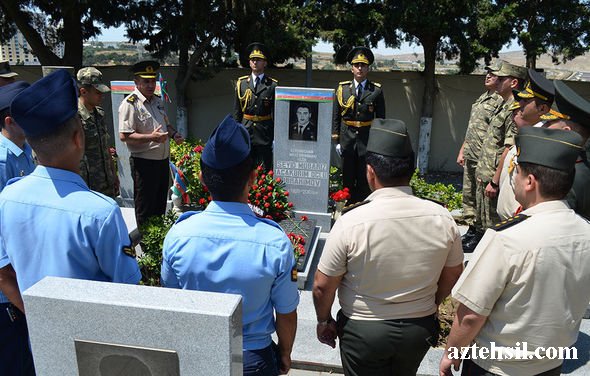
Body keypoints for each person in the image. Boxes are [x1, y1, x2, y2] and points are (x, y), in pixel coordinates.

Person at [0, 70, 142, 372]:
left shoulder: (7, 199)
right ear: (79, 138)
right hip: (95, 349)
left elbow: (4, 273)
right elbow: (128, 293)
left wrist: (39, 317)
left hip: (39, 340)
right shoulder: (100, 212)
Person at [313, 118, 463, 376]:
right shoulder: (441, 217)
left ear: (370, 171)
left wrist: (324, 320)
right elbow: (453, 272)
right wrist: (429, 303)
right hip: (418, 328)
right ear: (412, 169)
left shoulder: (352, 221)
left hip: (364, 331)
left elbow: (322, 285)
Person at [440, 126, 590, 376]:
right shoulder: (584, 231)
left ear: (530, 182)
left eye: (516, 172)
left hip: (497, 367)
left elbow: (471, 315)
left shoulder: (507, 238)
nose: (514, 178)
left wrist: (452, 352)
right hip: (551, 364)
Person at [162, 115, 299, 376]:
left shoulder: (179, 235)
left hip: (199, 354)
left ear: (202, 178)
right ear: (254, 178)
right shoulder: (274, 241)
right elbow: (286, 311)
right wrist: (284, 352)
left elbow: (172, 302)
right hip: (253, 359)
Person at [465, 61, 526, 252]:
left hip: (493, 173)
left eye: (501, 78)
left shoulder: (513, 109)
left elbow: (508, 147)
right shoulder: (502, 105)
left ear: (514, 83)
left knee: (493, 222)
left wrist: (495, 179)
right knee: (483, 218)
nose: (496, 81)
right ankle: (479, 242)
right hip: (485, 169)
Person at [119, 60, 184, 228]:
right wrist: (151, 138)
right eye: (145, 81)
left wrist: (174, 133)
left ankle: (157, 242)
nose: (150, 85)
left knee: (159, 205)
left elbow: (165, 125)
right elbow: (124, 135)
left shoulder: (157, 101)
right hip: (144, 163)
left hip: (162, 161)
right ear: (136, 82)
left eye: (152, 80)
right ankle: (146, 247)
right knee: (145, 208)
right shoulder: (130, 104)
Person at [0, 80, 35, 376]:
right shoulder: (1, 161)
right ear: (10, 121)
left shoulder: (24, 152)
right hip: (8, 293)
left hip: (24, 276)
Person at [496, 69, 554, 220]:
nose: (520, 103)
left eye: (527, 101)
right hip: (510, 219)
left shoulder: (543, 141)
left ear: (542, 109)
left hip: (523, 220)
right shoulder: (526, 135)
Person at [457, 60, 503, 246]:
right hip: (471, 154)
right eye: (487, 73)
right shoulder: (483, 97)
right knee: (469, 196)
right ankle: (472, 228)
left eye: (493, 74)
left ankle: (481, 232)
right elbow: (472, 128)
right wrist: (462, 150)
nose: (488, 76)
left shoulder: (500, 101)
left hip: (485, 158)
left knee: (482, 198)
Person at [332, 46, 385, 204]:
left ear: (368, 68)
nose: (360, 68)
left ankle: (362, 207)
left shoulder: (376, 91)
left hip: (366, 139)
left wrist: (377, 143)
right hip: (347, 138)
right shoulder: (342, 89)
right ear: (352, 68)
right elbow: (336, 115)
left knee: (364, 178)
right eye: (357, 65)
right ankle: (347, 207)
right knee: (347, 176)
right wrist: (336, 140)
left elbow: (381, 119)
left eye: (363, 65)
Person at [544, 80, 590, 220]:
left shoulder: (568, 178)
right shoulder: (578, 163)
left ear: (566, 132)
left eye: (549, 122)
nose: (544, 127)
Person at [233, 43, 277, 170]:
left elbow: (276, 113)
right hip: (246, 132)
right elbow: (237, 112)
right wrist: (237, 133)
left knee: (266, 170)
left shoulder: (272, 85)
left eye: (258, 60)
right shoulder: (241, 84)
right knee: (245, 169)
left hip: (265, 134)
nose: (255, 62)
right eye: (252, 60)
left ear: (265, 63)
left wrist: (275, 138)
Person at [77, 67, 118, 198]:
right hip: (86, 185)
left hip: (105, 182)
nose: (102, 96)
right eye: (97, 92)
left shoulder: (99, 114)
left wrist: (113, 174)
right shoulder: (74, 117)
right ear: (83, 91)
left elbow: (105, 148)